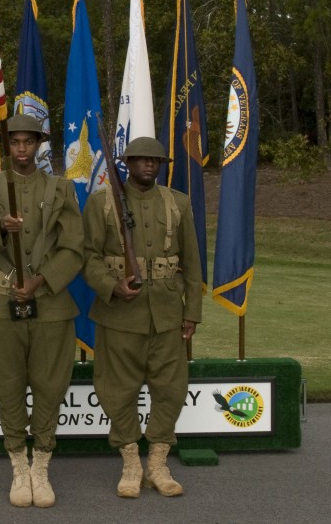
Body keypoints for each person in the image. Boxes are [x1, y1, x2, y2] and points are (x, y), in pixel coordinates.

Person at [0, 114, 84, 509]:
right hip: (1, 305)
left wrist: (41, 281)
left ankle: (42, 465)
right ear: (6, 146)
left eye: (28, 142)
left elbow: (74, 248)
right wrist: (2, 225)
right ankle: (19, 463)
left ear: (39, 144)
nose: (21, 148)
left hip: (50, 303)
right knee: (7, 386)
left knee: (51, 386)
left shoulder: (61, 188)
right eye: (15, 142)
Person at [82, 136, 202, 499]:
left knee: (171, 388)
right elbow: (87, 256)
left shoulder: (177, 202)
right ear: (127, 163)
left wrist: (191, 312)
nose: (148, 166)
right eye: (141, 160)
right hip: (120, 314)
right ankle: (131, 461)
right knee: (117, 390)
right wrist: (112, 285)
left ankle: (158, 462)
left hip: (166, 314)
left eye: (155, 161)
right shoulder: (102, 203)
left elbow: (193, 264)